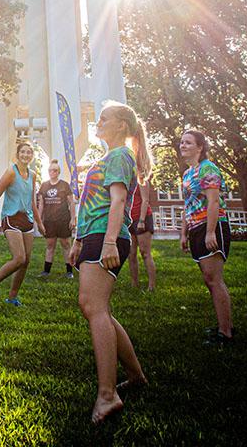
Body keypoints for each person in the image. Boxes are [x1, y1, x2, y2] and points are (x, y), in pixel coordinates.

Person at [68, 102, 151, 423]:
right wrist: (78, 241)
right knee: (95, 307)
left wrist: (108, 243)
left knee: (94, 306)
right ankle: (136, 375)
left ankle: (107, 394)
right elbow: (91, 204)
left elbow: (118, 201)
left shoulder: (120, 156)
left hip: (107, 236)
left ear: (121, 126)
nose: (98, 122)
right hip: (93, 235)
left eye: (105, 118)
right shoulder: (108, 157)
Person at [179, 129, 233, 344]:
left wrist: (211, 232)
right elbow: (188, 205)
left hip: (212, 226)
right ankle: (223, 325)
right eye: (181, 142)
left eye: (188, 142)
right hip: (195, 228)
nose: (183, 145)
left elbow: (214, 202)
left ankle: (226, 332)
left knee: (214, 279)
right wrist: (183, 233)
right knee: (208, 280)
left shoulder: (208, 169)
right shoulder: (187, 173)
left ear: (200, 147)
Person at [0, 141, 41, 307]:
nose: (26, 155)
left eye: (29, 152)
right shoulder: (11, 172)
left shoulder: (33, 175)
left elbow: (33, 203)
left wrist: (40, 224)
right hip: (11, 218)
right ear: (17, 154)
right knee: (19, 258)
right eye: (23, 152)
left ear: (32, 155)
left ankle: (12, 297)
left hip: (27, 220)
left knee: (26, 261)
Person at [38, 159, 76, 278]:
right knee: (50, 245)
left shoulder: (64, 185)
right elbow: (41, 204)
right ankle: (46, 271)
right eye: (50, 170)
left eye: (55, 170)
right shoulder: (44, 185)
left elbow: (72, 203)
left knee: (66, 245)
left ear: (58, 172)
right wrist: (39, 221)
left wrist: (73, 218)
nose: (52, 172)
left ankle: (69, 272)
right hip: (49, 221)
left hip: (64, 220)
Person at [128, 163, 156, 291]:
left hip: (142, 218)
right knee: (131, 254)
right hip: (129, 219)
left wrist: (141, 220)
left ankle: (151, 285)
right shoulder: (126, 179)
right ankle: (134, 284)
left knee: (145, 253)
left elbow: (145, 200)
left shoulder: (141, 179)